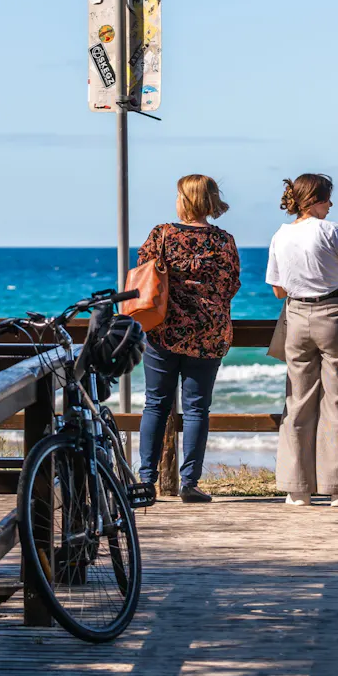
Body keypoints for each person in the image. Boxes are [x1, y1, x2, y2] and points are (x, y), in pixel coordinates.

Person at [265, 173, 338, 507]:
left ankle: (296, 488)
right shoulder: (331, 231)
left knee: (298, 401)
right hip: (333, 312)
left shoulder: (280, 235)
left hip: (296, 316)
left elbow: (277, 290)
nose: (330, 205)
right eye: (327, 199)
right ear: (315, 199)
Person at [136, 174, 242, 503]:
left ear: (184, 199)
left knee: (156, 404)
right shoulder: (224, 240)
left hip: (163, 330)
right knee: (197, 409)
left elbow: (142, 273)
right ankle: (189, 483)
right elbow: (232, 284)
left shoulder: (162, 234)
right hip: (208, 334)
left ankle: (146, 481)